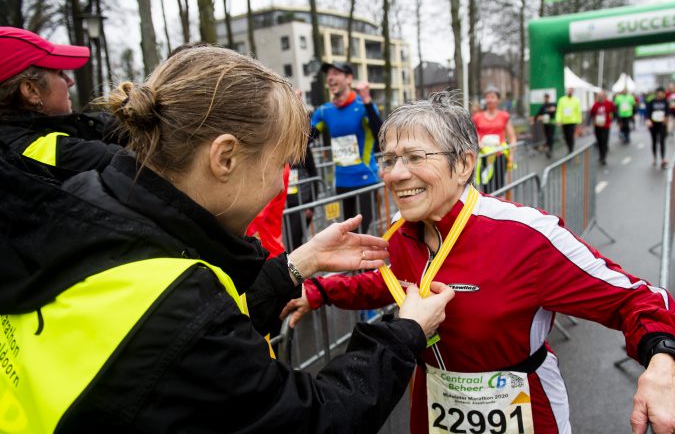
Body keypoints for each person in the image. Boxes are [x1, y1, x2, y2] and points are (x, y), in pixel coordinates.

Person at [0, 46, 455, 432]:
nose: (281, 185)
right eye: (279, 163)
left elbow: (184, 333)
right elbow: (311, 418)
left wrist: (295, 266)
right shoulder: (177, 309)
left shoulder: (83, 205)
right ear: (224, 157)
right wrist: (403, 333)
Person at [282, 91, 675, 434]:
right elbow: (391, 285)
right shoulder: (399, 233)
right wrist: (317, 291)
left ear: (463, 163)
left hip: (524, 411)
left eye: (413, 156)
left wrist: (663, 361)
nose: (395, 174)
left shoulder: (526, 235)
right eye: (389, 160)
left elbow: (634, 299)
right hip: (433, 410)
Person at [0, 26, 120, 176]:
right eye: (60, 73)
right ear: (32, 91)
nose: (70, 81)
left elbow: (89, 124)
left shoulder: (16, 137)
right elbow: (137, 165)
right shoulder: (47, 153)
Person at [311, 61, 382, 234]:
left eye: (336, 73)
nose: (330, 78)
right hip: (342, 181)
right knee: (349, 233)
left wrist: (367, 101)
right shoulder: (324, 111)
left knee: (364, 230)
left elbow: (381, 136)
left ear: (349, 78)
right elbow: (307, 138)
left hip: (365, 179)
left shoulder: (363, 106)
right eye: (328, 75)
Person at [471, 86, 516, 192]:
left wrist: (512, 154)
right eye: (487, 97)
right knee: (486, 183)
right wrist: (478, 143)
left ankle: (497, 204)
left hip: (499, 155)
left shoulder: (504, 116)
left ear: (498, 100)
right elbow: (473, 134)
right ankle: (487, 205)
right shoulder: (477, 117)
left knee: (499, 183)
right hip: (484, 155)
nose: (490, 99)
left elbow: (512, 136)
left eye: (493, 97)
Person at [647, 87, 671, 168]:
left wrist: (666, 119)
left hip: (662, 124)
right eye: (660, 92)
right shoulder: (651, 102)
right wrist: (648, 120)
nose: (661, 94)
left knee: (662, 141)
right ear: (657, 93)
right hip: (653, 124)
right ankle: (654, 158)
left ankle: (663, 159)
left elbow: (668, 112)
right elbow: (648, 112)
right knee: (654, 141)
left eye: (663, 93)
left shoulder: (666, 102)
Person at [589, 91, 616, 166]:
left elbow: (614, 111)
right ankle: (601, 154)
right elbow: (592, 113)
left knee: (604, 141)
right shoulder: (596, 104)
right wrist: (593, 121)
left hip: (606, 125)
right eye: (599, 96)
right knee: (599, 141)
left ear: (605, 96)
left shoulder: (609, 103)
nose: (600, 98)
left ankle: (603, 157)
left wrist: (612, 119)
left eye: (601, 96)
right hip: (597, 126)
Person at [555, 87, 581, 154]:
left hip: (572, 122)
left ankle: (571, 149)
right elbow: (559, 111)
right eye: (568, 91)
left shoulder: (576, 100)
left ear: (573, 92)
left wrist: (579, 122)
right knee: (566, 136)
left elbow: (578, 111)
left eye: (571, 91)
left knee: (570, 136)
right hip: (564, 122)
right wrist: (558, 120)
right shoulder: (562, 100)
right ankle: (569, 147)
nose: (569, 92)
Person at [534, 93, 557, 159]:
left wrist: (553, 110)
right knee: (547, 136)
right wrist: (535, 120)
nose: (545, 99)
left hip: (551, 123)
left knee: (551, 136)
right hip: (545, 123)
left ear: (548, 98)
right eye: (544, 98)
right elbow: (538, 113)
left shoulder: (553, 104)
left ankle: (550, 148)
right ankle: (548, 147)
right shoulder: (543, 106)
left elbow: (557, 110)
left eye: (546, 98)